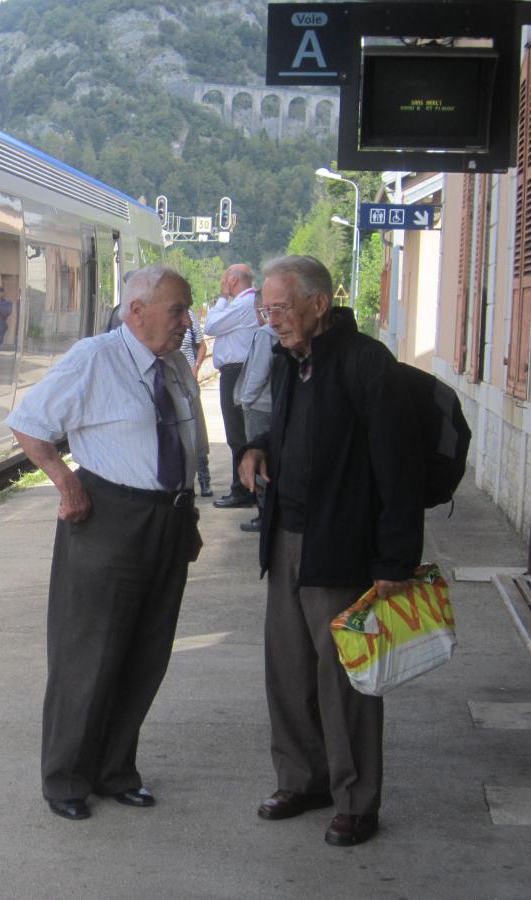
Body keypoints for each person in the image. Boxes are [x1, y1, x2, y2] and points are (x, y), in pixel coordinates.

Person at [6, 265, 206, 822]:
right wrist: (66, 482)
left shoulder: (176, 365)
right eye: (177, 311)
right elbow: (28, 423)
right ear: (137, 311)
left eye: (187, 311)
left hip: (166, 521)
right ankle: (66, 778)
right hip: (109, 518)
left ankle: (117, 770)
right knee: (87, 655)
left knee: (146, 655)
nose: (186, 323)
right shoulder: (95, 358)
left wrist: (185, 517)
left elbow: (185, 447)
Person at [239, 255, 423, 848]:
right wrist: (259, 446)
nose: (273, 321)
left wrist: (395, 562)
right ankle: (302, 780)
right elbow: (299, 429)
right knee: (288, 673)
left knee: (345, 680)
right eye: (266, 310)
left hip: (342, 547)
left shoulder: (368, 364)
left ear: (319, 304)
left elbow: (399, 471)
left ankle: (355, 799)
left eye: (282, 308)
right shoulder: (292, 361)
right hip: (288, 538)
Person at [205, 263, 259, 509]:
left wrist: (222, 298)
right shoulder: (247, 303)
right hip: (236, 371)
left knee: (237, 433)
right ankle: (245, 488)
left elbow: (211, 326)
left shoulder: (243, 303)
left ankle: (244, 490)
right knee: (237, 433)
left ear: (233, 281)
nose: (222, 283)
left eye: (224, 279)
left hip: (237, 372)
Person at [231, 295, 278, 531]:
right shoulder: (278, 334)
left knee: (258, 464)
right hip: (274, 405)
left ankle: (263, 514)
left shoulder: (264, 335)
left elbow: (258, 372)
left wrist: (246, 401)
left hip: (259, 407)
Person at [179, 306, 212, 497]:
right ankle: (185, 483)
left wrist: (196, 367)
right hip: (170, 380)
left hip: (188, 381)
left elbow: (201, 345)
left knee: (197, 430)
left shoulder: (189, 314)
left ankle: (205, 480)